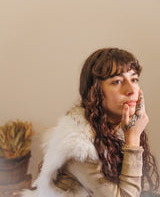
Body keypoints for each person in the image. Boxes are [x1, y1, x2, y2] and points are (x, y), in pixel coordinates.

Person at [21, 48, 160, 197]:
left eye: (134, 79)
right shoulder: (78, 145)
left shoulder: (115, 129)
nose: (131, 89)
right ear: (95, 92)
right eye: (117, 81)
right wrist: (133, 140)